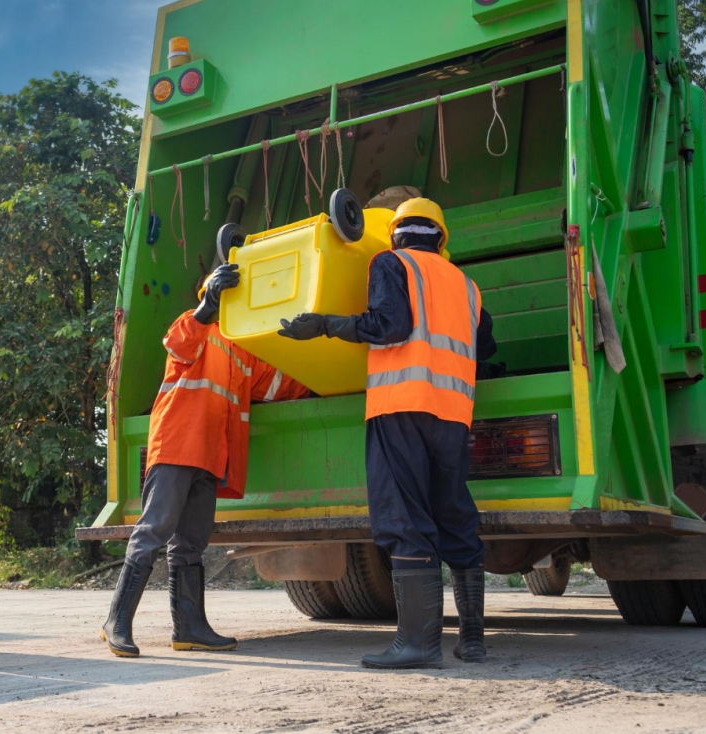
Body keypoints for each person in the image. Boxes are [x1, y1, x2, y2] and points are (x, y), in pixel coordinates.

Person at [278, 197, 496, 669]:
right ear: (441, 238)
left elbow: (390, 326)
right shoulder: (466, 285)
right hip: (453, 413)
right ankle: (473, 639)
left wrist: (326, 325)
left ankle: (417, 643)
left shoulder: (390, 262)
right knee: (455, 514)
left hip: (400, 406)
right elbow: (486, 344)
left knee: (405, 519)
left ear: (395, 233)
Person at [102, 262, 311, 658]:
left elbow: (282, 384)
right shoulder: (194, 328)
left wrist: (311, 349)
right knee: (154, 530)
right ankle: (117, 622)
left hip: (211, 456)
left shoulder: (243, 352)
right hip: (179, 446)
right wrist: (205, 307)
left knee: (191, 543)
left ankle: (190, 629)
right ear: (211, 296)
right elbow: (177, 341)